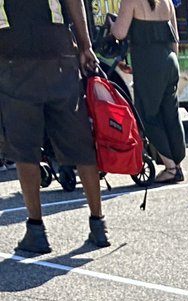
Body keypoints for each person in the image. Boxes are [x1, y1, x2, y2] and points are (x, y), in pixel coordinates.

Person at [0, 0, 109, 254]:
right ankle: (98, 224)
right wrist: (85, 45)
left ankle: (36, 231)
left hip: (13, 56)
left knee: (25, 147)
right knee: (80, 141)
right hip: (59, 52)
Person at [108, 0, 186, 185]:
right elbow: (174, 39)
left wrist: (111, 24)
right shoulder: (167, 2)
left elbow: (120, 32)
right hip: (169, 61)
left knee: (147, 114)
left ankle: (170, 168)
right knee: (171, 114)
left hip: (148, 63)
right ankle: (178, 164)